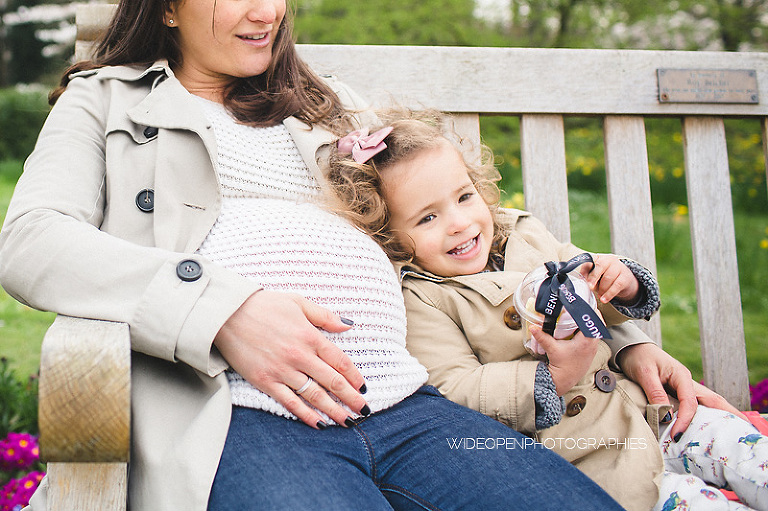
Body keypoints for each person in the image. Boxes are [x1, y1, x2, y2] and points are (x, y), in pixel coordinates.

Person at [0, 1, 637, 510]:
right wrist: (224, 311)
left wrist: (625, 341)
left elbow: (470, 225)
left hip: (406, 402)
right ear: (167, 8)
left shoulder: (331, 105)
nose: (266, 12)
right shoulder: (105, 100)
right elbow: (32, 239)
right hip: (239, 414)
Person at [325, 109, 768, 511]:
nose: (459, 223)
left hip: (652, 411)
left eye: (464, 197)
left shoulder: (524, 233)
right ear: (389, 236)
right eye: (427, 218)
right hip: (589, 453)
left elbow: (590, 287)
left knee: (748, 454)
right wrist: (551, 378)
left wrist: (621, 282)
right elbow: (454, 389)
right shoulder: (422, 298)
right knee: (695, 503)